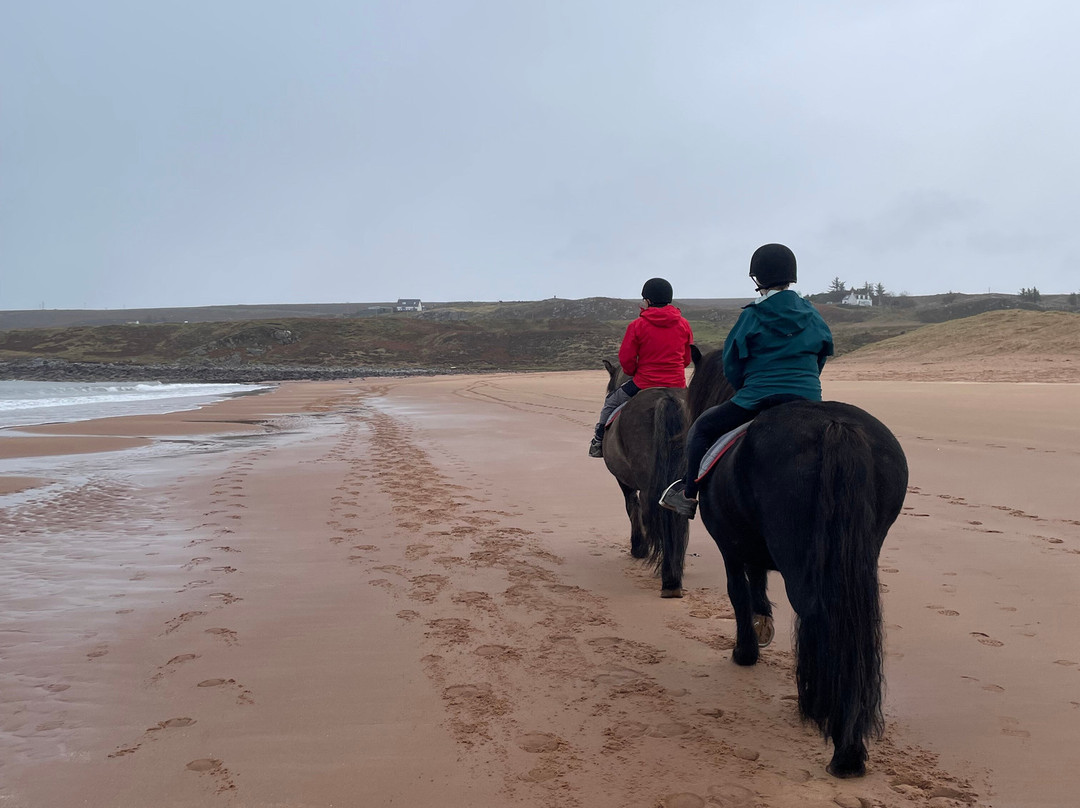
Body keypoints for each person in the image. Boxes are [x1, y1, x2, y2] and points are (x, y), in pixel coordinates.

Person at [659, 243, 834, 517]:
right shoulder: (812, 314)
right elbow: (824, 352)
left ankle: (687, 494)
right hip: (807, 396)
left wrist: (745, 389)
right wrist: (807, 383)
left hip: (758, 397)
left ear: (758, 278)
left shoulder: (753, 315)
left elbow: (732, 363)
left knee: (701, 429)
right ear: (791, 275)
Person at [589, 277, 694, 458]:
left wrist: (634, 372)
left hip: (644, 383)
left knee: (611, 402)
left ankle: (598, 441)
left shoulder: (637, 325)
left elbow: (626, 360)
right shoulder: (684, 324)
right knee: (696, 410)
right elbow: (687, 358)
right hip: (677, 384)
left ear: (648, 300)